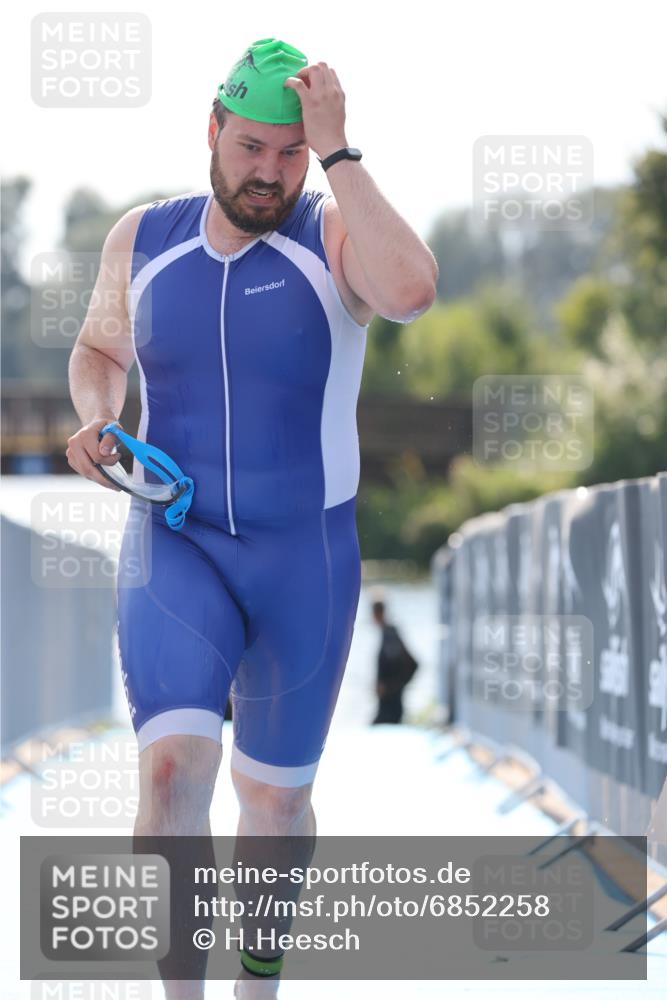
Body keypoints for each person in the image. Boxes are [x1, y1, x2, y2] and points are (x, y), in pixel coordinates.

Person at [66, 37, 437, 999]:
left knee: (271, 807)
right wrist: (98, 420)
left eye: (290, 152)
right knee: (170, 776)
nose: (269, 172)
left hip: (302, 560)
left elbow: (411, 291)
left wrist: (339, 150)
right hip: (176, 542)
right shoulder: (143, 239)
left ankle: (256, 984)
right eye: (250, 148)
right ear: (212, 131)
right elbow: (99, 351)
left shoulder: (332, 238)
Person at [371, 592, 419, 724]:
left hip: (391, 706)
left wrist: (390, 687)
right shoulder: (386, 634)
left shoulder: (390, 635)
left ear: (377, 613)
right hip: (386, 705)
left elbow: (413, 665)